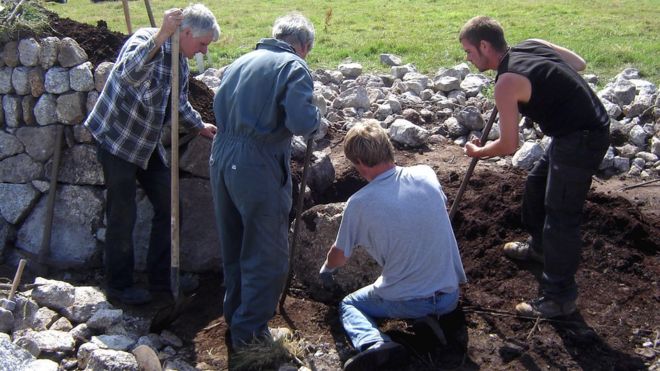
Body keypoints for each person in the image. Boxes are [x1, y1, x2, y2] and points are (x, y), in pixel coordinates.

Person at [458, 16, 610, 318]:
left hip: (582, 138)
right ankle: (540, 249)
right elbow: (578, 63)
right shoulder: (531, 46)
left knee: (561, 216)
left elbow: (509, 145)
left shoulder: (507, 82)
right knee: (535, 187)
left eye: (469, 51)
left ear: (485, 46)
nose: (467, 57)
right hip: (573, 130)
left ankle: (559, 296)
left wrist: (478, 150)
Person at [84, 4, 220, 305]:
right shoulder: (145, 42)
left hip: (145, 144)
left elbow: (179, 104)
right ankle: (119, 286)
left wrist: (199, 126)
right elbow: (127, 74)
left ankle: (162, 278)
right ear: (185, 33)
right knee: (122, 212)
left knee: (171, 206)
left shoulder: (181, 64)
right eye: (201, 44)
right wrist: (160, 36)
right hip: (117, 140)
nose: (202, 52)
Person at [319, 121, 467, 371]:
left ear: (360, 163)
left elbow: (340, 255)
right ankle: (429, 320)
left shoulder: (359, 203)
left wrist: (326, 271)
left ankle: (375, 344)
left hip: (407, 299)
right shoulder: (425, 173)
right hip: (449, 295)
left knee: (350, 305)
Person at [210, 12, 320, 348]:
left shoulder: (241, 61)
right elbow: (302, 122)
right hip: (257, 162)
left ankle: (236, 316)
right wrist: (317, 114)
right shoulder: (293, 66)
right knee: (267, 251)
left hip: (222, 155)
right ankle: (251, 335)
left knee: (235, 242)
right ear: (302, 45)